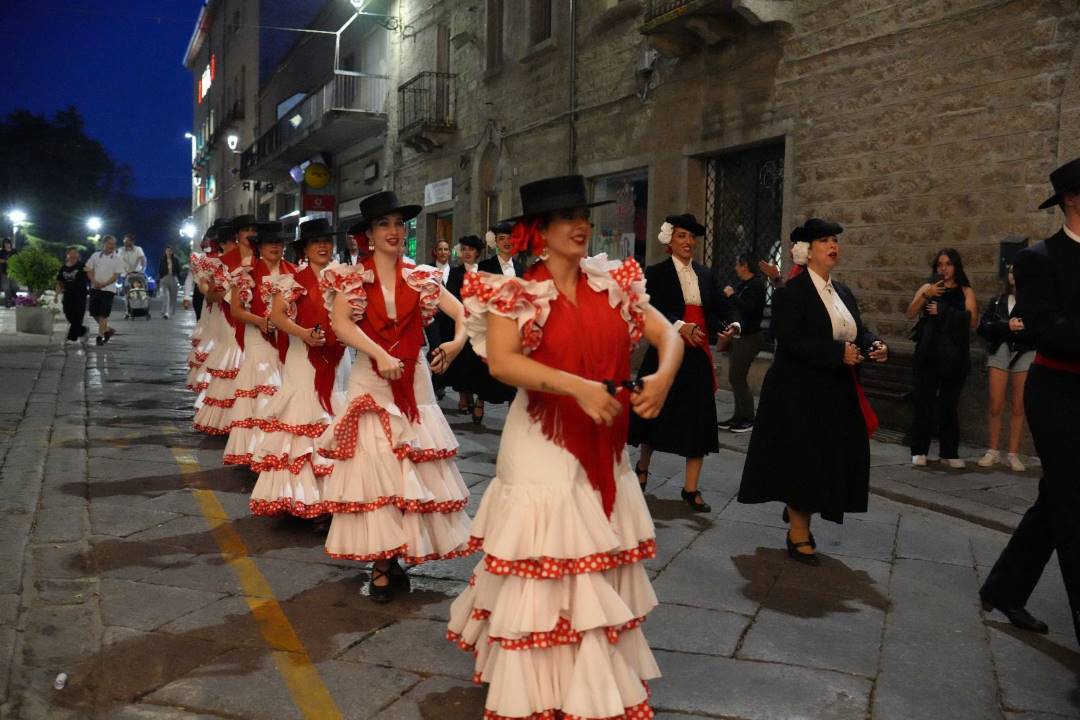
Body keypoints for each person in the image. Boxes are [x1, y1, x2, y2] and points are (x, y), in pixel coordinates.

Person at [446, 174, 682, 720]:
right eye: (564, 218)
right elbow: (504, 363)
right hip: (541, 441)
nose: (580, 225)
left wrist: (664, 377)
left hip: (605, 441)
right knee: (551, 562)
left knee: (592, 568)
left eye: (583, 215)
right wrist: (579, 388)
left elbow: (666, 334)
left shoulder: (613, 281)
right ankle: (539, 688)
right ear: (538, 232)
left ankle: (589, 682)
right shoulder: (514, 291)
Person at [315, 190, 473, 603]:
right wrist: (379, 354)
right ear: (367, 234)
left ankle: (402, 549)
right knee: (377, 467)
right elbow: (341, 326)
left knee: (412, 467)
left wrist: (455, 344)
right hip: (371, 378)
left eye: (399, 224)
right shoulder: (350, 277)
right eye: (384, 224)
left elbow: (464, 315)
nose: (394, 231)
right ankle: (382, 561)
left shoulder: (421, 276)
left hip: (415, 380)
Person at [738, 218, 888, 565]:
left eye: (834, 239)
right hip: (799, 393)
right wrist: (837, 353)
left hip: (835, 393)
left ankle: (801, 513)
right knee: (803, 462)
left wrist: (873, 343)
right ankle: (799, 532)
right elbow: (787, 340)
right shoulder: (793, 293)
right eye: (824, 240)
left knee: (830, 460)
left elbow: (855, 331)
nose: (833, 245)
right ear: (807, 251)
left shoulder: (843, 292)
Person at [979, 158, 1080, 647]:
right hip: (1058, 392)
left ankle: (1004, 586)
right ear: (1071, 199)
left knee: (1056, 499)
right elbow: (1046, 332)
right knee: (1073, 505)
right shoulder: (1039, 258)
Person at [629, 213, 738, 512]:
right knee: (654, 413)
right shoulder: (656, 272)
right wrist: (679, 326)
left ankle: (691, 488)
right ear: (670, 240)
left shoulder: (706, 274)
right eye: (682, 236)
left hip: (697, 356)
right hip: (665, 353)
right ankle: (642, 467)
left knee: (699, 420)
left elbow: (719, 307)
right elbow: (651, 307)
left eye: (691, 237)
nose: (688, 242)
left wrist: (732, 325)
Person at [249, 219, 350, 521]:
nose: (323, 246)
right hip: (301, 357)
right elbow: (278, 317)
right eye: (316, 241)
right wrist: (304, 333)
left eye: (327, 241)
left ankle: (334, 495)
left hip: (338, 356)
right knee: (305, 416)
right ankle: (306, 497)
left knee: (334, 413)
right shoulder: (291, 281)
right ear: (304, 249)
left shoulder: (344, 279)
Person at [223, 223, 295, 467]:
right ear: (260, 247)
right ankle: (256, 450)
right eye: (269, 243)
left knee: (284, 388)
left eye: (279, 242)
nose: (275, 246)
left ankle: (276, 449)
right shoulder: (245, 274)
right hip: (258, 338)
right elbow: (235, 310)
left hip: (287, 340)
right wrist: (261, 321)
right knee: (263, 389)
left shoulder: (294, 273)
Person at [905, 248, 977, 467]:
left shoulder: (965, 291)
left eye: (948, 264)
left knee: (948, 404)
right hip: (928, 353)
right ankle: (919, 450)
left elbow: (972, 321)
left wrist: (944, 311)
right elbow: (910, 312)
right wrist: (927, 295)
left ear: (956, 266)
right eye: (939, 264)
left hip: (953, 355)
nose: (943, 269)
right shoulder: (929, 288)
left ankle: (949, 452)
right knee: (923, 403)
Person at [193, 216, 257, 434]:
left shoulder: (263, 259)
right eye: (245, 230)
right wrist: (221, 290)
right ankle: (230, 420)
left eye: (253, 229)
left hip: (257, 325)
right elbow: (209, 295)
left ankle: (249, 417)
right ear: (236, 235)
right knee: (233, 360)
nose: (250, 234)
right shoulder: (220, 264)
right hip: (228, 319)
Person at [976, 259, 1035, 472]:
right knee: (996, 403)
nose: (1014, 275)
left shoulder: (1033, 302)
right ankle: (992, 450)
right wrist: (1006, 325)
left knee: (1019, 405)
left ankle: (1013, 453)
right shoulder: (997, 302)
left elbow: (1042, 330)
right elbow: (983, 328)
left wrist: (1025, 328)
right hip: (1000, 350)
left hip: (1024, 352)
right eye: (1011, 272)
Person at [473, 222, 527, 421]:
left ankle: (512, 410)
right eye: (502, 238)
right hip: (493, 323)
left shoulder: (521, 267)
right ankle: (480, 399)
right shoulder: (485, 266)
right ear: (495, 242)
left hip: (516, 326)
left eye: (510, 238)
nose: (506, 242)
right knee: (489, 369)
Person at [719, 253, 768, 433]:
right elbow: (735, 309)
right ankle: (737, 417)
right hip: (739, 336)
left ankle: (748, 419)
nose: (735, 268)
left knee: (737, 377)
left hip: (750, 337)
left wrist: (732, 296)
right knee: (735, 378)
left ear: (745, 265)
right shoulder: (743, 285)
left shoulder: (756, 285)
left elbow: (749, 310)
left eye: (737, 264)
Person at [445, 235, 486, 416]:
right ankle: (464, 397)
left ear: (477, 252)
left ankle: (476, 396)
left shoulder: (485, 270)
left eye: (471, 249)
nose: (467, 253)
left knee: (478, 361)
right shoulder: (455, 273)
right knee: (463, 360)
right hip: (463, 322)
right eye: (464, 249)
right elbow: (453, 297)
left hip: (482, 324)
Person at [426, 238, 454, 400]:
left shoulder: (455, 271)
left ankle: (443, 380)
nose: (443, 252)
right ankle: (437, 384)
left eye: (446, 249)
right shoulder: (428, 270)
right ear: (435, 252)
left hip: (450, 318)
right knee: (436, 348)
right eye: (440, 249)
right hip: (433, 317)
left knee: (448, 348)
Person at [85, 235, 124, 345]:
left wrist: (104, 284)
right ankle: (108, 330)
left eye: (113, 244)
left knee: (103, 314)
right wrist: (93, 281)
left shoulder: (117, 258)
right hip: (95, 288)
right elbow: (88, 269)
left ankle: (99, 336)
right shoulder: (96, 255)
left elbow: (116, 275)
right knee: (94, 313)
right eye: (109, 243)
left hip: (108, 289)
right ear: (104, 244)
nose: (111, 246)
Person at [56, 246, 89, 344]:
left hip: (80, 294)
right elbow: (60, 281)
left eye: (75, 253)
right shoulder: (63, 267)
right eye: (71, 253)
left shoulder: (82, 266)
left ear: (78, 255)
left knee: (78, 315)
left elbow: (90, 275)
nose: (73, 255)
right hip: (68, 294)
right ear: (67, 255)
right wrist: (56, 294)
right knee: (68, 314)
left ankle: (71, 338)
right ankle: (82, 330)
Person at [158, 245, 181, 319]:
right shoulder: (162, 259)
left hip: (173, 278)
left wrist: (178, 278)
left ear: (172, 251)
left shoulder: (175, 260)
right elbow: (160, 269)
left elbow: (178, 269)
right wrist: (161, 278)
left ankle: (170, 311)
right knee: (166, 296)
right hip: (165, 278)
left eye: (169, 250)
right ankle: (166, 312)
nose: (168, 252)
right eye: (167, 250)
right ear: (165, 251)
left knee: (173, 297)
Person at [0, 238, 16, 307]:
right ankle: (8, 302)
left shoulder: (14, 251)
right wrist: (4, 261)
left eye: (8, 243)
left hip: (14, 272)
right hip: (4, 272)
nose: (7, 244)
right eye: (5, 243)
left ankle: (13, 298)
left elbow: (17, 258)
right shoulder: (1, 252)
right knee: (6, 287)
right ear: (3, 244)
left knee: (14, 286)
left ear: (10, 243)